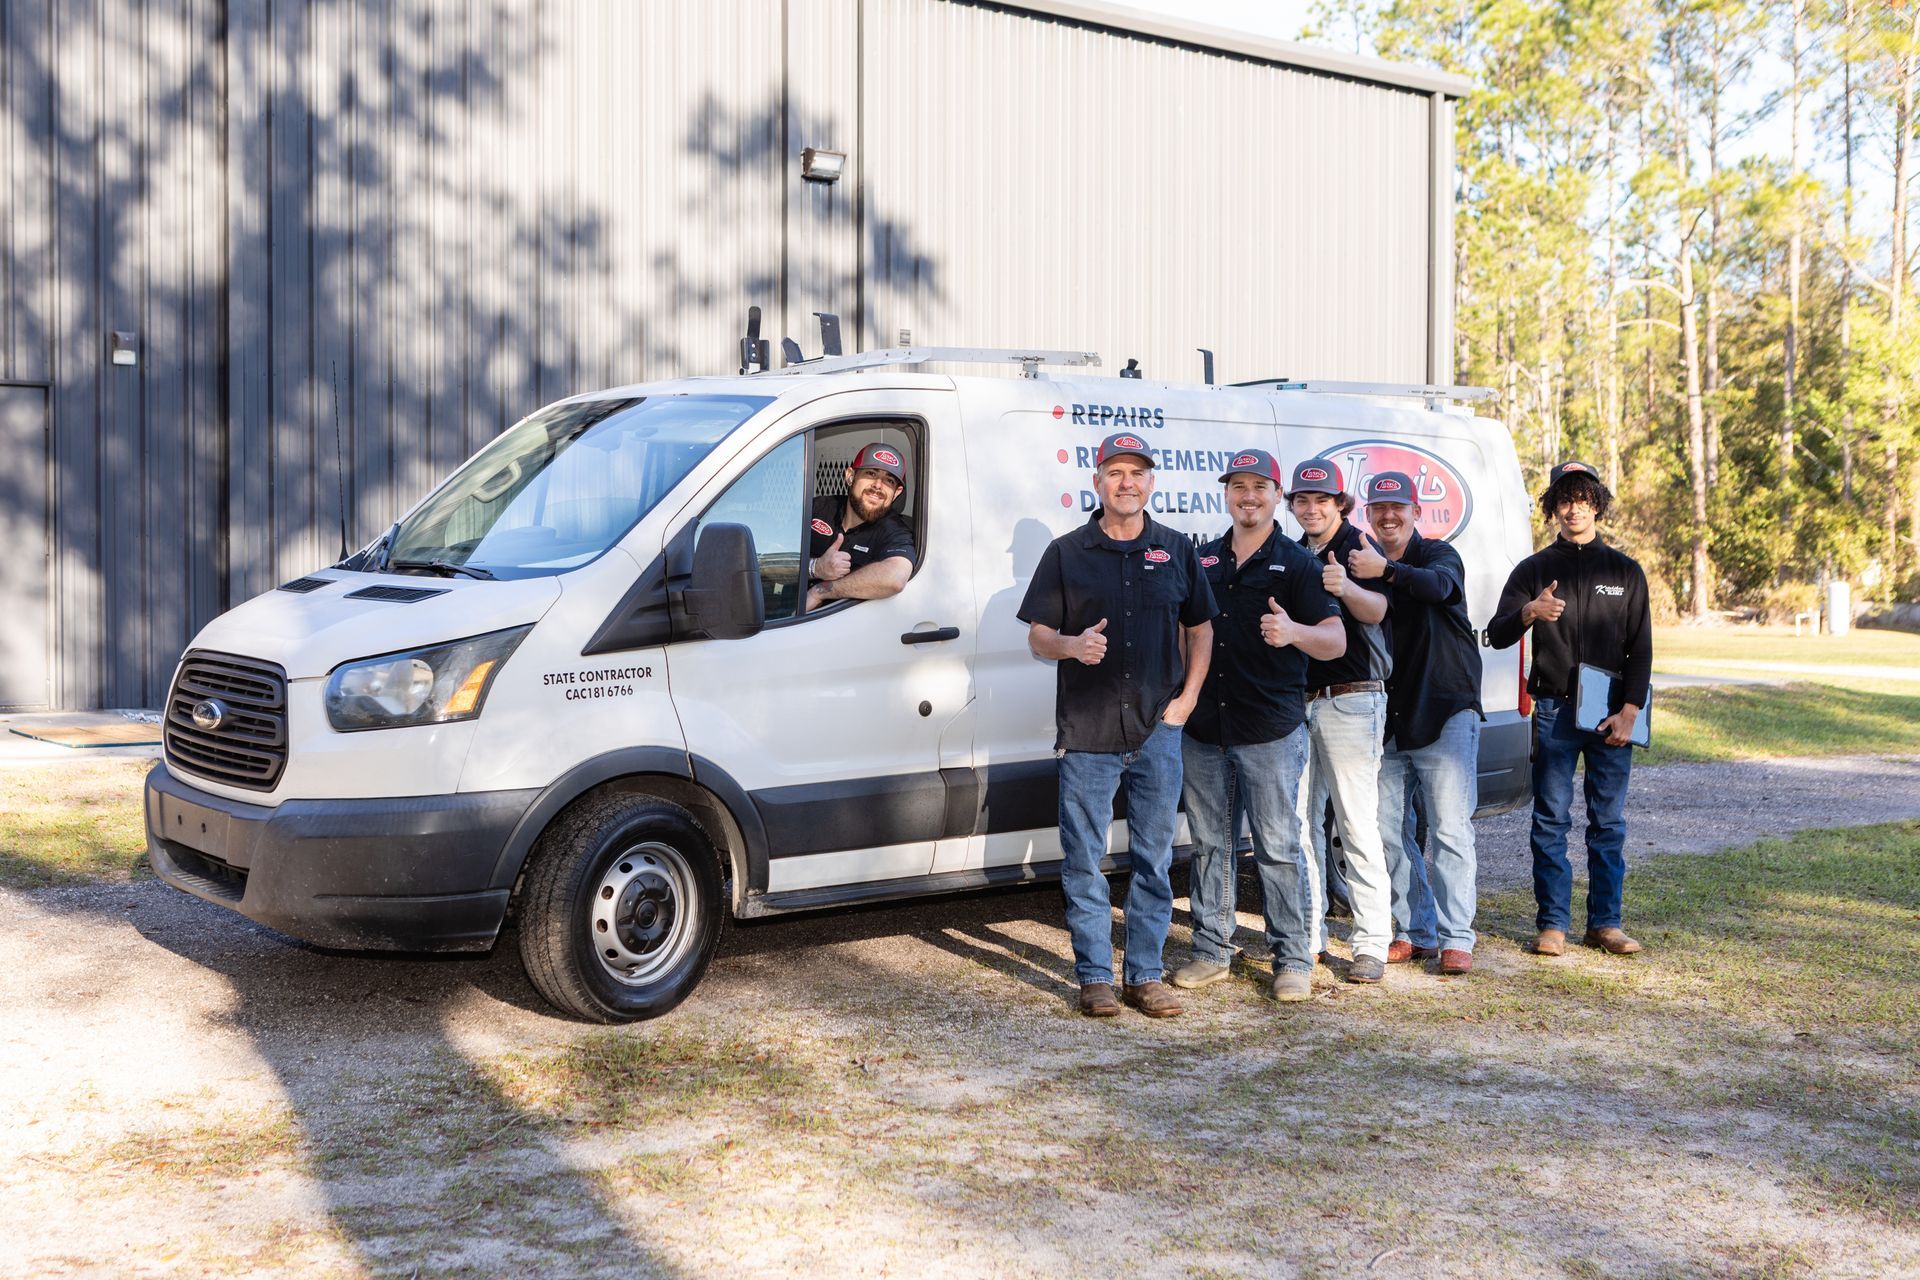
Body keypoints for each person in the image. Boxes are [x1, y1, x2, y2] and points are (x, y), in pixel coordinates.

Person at [1018, 432, 1216, 1018]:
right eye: (1114, 473)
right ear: (1097, 482)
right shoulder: (1066, 552)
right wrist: (1072, 644)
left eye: (1137, 473)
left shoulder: (1178, 549)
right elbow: (1037, 636)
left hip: (1159, 730)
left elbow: (1201, 629)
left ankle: (1145, 976)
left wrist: (1186, 702)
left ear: (1151, 483)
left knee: (1154, 859)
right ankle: (1096, 978)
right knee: (1084, 860)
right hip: (1087, 732)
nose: (1126, 483)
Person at [1174, 449, 1346, 1003]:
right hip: (1204, 728)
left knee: (1277, 845)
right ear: (1226, 494)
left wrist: (1294, 632)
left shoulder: (1299, 565)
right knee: (1209, 844)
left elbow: (1335, 640)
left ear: (1278, 496)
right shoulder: (1200, 560)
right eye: (1238, 486)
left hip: (1270, 730)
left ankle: (1293, 957)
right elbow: (1186, 634)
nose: (1248, 496)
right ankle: (1211, 950)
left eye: (1259, 487)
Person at [1488, 460, 1653, 958]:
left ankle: (1605, 924)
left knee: (1608, 823)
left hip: (1611, 717)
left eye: (1584, 498)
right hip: (1555, 714)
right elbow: (1497, 634)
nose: (1574, 507)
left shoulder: (1625, 571)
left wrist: (1630, 710)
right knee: (1551, 820)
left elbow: (1640, 649)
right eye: (1564, 498)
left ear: (1597, 503)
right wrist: (1529, 612)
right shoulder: (1534, 569)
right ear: (1553, 506)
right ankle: (1553, 924)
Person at [1348, 471, 1483, 975]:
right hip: (1386, 717)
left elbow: (1439, 588)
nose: (1388, 516)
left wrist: (1384, 571)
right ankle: (1415, 930)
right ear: (1368, 513)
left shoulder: (1438, 556)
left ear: (1415, 513)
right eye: (1379, 508)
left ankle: (1456, 938)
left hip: (1445, 711)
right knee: (1387, 831)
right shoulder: (1362, 564)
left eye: (1398, 508)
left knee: (1449, 830)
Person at [1289, 458, 1396, 985]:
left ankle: (1371, 943)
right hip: (1298, 702)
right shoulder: (1290, 553)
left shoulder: (1358, 547)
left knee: (1355, 822)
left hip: (1352, 699)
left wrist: (1345, 586)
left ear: (1340, 505)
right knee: (1299, 824)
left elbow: (1377, 610)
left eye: (1321, 501)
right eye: (1303, 501)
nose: (1311, 509)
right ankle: (1308, 939)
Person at [806, 442, 917, 610]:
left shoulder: (895, 530)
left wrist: (820, 591)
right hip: (783, 619)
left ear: (897, 493)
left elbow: (895, 577)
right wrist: (816, 568)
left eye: (889, 481)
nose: (878, 486)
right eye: (871, 473)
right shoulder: (817, 508)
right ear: (850, 476)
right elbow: (768, 553)